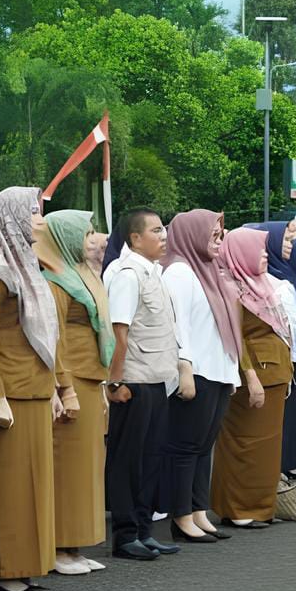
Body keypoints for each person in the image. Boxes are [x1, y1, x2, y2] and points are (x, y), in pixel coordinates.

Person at [0, 186, 71, 591]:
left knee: (32, 488)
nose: (39, 221)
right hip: (12, 393)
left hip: (34, 389)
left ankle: (24, 567)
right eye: (30, 213)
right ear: (7, 219)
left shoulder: (21, 264)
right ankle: (4, 570)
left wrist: (55, 388)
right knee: (9, 489)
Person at [102, 209, 178, 561]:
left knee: (151, 459)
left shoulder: (154, 272)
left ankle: (145, 530)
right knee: (128, 461)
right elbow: (120, 331)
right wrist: (115, 381)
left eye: (163, 229)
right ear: (135, 238)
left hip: (157, 378)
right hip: (134, 380)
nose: (163, 235)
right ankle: (125, 533)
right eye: (155, 230)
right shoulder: (128, 274)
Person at [38, 209, 110, 572]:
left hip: (91, 376)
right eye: (85, 233)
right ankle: (58, 547)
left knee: (87, 468)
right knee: (68, 468)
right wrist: (62, 388)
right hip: (74, 378)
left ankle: (75, 546)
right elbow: (56, 340)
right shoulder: (55, 280)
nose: (93, 239)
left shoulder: (80, 273)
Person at [159, 209, 238, 538]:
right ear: (192, 234)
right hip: (196, 371)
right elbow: (178, 326)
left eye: (221, 235)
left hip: (216, 371)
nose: (219, 241)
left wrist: (231, 373)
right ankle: (181, 517)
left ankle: (198, 510)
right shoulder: (179, 272)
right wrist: (184, 367)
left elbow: (224, 329)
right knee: (185, 447)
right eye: (213, 234)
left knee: (204, 446)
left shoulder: (209, 270)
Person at [211, 226, 292, 525]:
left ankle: (260, 505)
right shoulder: (232, 288)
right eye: (258, 249)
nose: (264, 255)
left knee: (267, 446)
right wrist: (251, 377)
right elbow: (235, 337)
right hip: (255, 374)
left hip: (276, 371)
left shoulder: (261, 285)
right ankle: (239, 508)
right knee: (246, 441)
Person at [261, 224, 296, 478]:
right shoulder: (275, 281)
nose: (292, 245)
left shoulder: (288, 273)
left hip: (295, 354)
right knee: (289, 414)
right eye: (286, 240)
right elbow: (294, 322)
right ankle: (288, 462)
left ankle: (293, 460)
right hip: (291, 355)